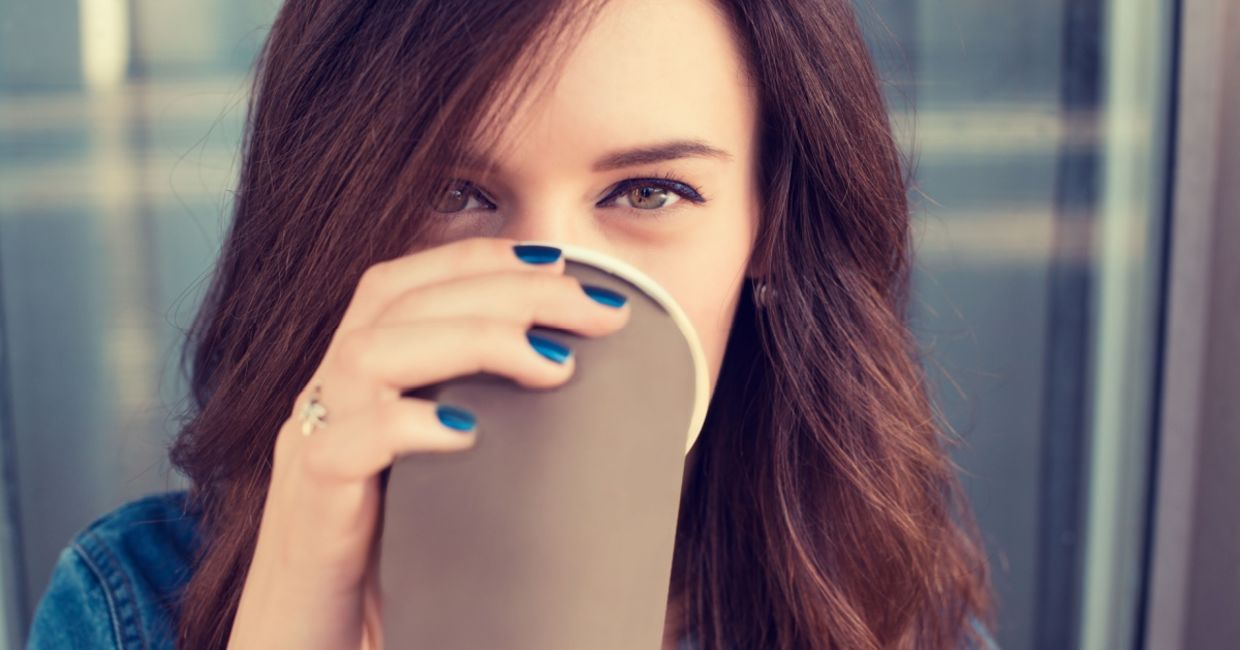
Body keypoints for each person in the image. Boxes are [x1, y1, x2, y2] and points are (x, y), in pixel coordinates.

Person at [27, 0, 999, 647]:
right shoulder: (131, 603)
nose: (543, 283)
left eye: (648, 190)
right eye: (454, 191)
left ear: (768, 223)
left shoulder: (888, 612)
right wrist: (299, 589)